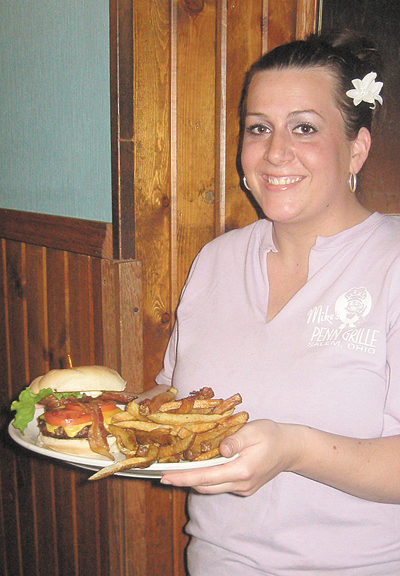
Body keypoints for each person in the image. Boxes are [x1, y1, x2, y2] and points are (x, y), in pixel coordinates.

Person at [151, 29, 400, 574]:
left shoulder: (393, 262)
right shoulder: (215, 260)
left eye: (304, 128)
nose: (275, 152)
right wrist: (103, 413)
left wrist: (294, 449)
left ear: (356, 148)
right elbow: (176, 399)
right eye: (258, 128)